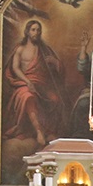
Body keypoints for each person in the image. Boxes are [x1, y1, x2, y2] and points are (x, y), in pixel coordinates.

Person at [4, 18, 64, 148]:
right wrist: (27, 81)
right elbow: (15, 68)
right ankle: (38, 131)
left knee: (55, 99)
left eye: (38, 30)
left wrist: (54, 62)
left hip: (41, 84)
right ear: (27, 31)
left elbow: (58, 68)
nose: (36, 32)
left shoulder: (44, 50)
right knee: (27, 97)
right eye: (33, 30)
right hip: (24, 82)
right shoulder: (20, 49)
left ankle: (50, 131)